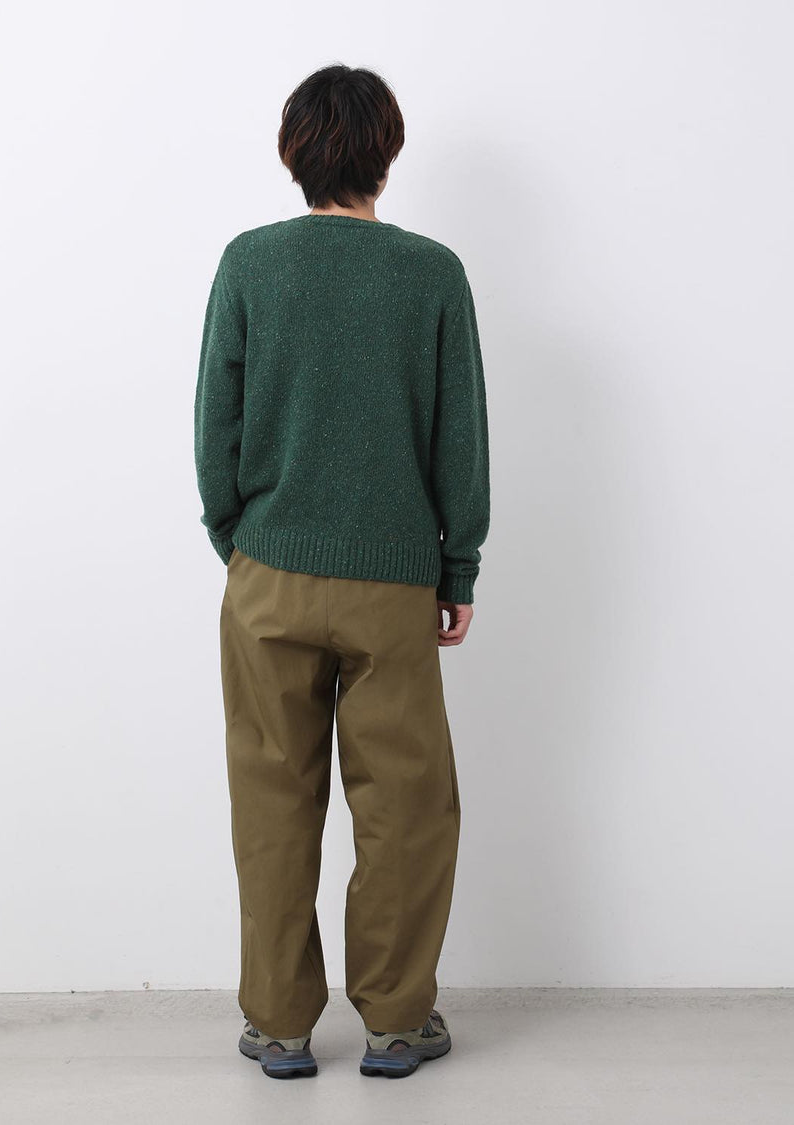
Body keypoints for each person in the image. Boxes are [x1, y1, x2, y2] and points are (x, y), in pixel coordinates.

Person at [194, 63, 490, 1080]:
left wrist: (239, 541)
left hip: (266, 573)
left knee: (272, 800)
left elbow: (215, 426)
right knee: (405, 806)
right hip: (394, 584)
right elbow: (460, 436)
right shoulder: (431, 273)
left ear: (295, 153)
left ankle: (279, 1026)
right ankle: (397, 1022)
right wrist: (458, 565)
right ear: (386, 155)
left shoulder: (250, 263)